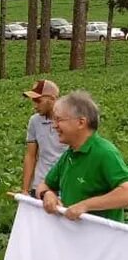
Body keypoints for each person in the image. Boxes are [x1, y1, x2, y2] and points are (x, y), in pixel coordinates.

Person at [36, 91, 128, 222]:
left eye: (59, 120)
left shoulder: (104, 152)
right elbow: (44, 185)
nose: (55, 125)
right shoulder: (69, 154)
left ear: (81, 122)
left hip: (101, 239)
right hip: (74, 238)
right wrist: (47, 194)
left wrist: (86, 205)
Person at [21, 79, 66, 196]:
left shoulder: (69, 121)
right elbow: (30, 156)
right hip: (40, 186)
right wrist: (25, 189)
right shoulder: (34, 121)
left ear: (52, 99)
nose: (35, 106)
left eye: (38, 101)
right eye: (33, 101)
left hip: (64, 186)